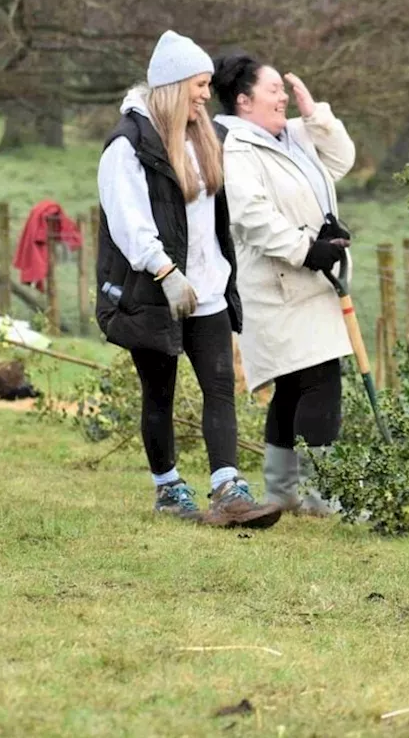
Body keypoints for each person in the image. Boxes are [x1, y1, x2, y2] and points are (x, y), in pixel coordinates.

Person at [96, 31, 280, 528]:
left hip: (209, 285)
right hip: (155, 287)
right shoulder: (128, 146)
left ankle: (228, 488)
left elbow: (215, 212)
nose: (206, 93)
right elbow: (127, 222)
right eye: (199, 85)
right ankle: (168, 489)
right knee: (160, 390)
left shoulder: (204, 138)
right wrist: (166, 272)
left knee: (219, 384)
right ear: (175, 85)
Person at [212, 54, 356, 516]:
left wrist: (316, 115)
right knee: (318, 381)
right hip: (277, 281)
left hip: (309, 280)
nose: (281, 97)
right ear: (243, 100)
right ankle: (320, 498)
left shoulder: (293, 134)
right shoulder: (237, 147)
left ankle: (283, 495)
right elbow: (251, 216)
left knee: (295, 385)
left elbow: (341, 160)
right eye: (273, 89)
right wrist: (304, 248)